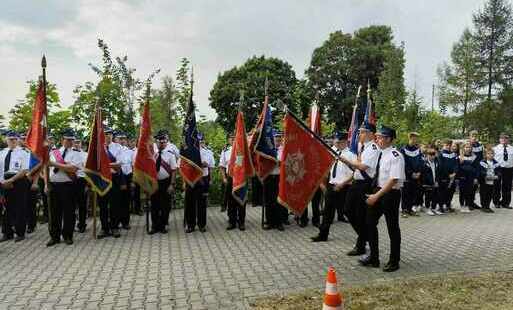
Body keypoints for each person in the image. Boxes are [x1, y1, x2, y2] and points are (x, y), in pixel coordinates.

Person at [361, 126, 405, 272]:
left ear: (389, 139)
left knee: (392, 227)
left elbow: (393, 180)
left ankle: (394, 261)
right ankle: (374, 257)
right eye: (378, 136)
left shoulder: (395, 155)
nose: (377, 139)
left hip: (390, 194)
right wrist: (374, 193)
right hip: (379, 191)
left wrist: (376, 196)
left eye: (380, 137)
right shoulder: (381, 154)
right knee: (369, 222)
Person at [339, 123, 380, 256]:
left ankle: (362, 243)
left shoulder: (373, 148)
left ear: (370, 134)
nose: (359, 135)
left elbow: (363, 167)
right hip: (356, 182)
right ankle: (365, 237)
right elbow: (357, 167)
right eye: (359, 132)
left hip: (364, 184)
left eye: (362, 132)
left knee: (360, 215)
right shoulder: (364, 148)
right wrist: (349, 163)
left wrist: (349, 161)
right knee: (348, 211)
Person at [311, 131, 355, 242]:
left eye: (339, 142)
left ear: (345, 142)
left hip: (344, 187)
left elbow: (355, 173)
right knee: (327, 211)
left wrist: (342, 184)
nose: (336, 144)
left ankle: (362, 236)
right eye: (336, 142)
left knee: (348, 211)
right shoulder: (332, 151)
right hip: (332, 185)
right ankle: (323, 234)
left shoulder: (351, 155)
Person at [47, 129, 81, 246]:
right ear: (62, 140)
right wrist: (47, 184)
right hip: (54, 186)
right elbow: (47, 169)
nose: (71, 142)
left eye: (72, 140)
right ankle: (54, 236)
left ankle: (68, 236)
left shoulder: (76, 153)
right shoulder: (53, 152)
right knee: (54, 212)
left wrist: (55, 164)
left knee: (68, 212)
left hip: (68, 186)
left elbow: (72, 169)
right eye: (68, 139)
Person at [0, 130, 30, 242]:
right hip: (4, 181)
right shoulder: (2, 152)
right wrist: (2, 182)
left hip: (19, 181)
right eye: (9, 139)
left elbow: (25, 170)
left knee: (19, 208)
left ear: (18, 140)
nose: (12, 141)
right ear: (6, 140)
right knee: (6, 208)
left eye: (14, 139)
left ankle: (20, 233)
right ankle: (7, 233)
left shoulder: (24, 152)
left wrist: (11, 180)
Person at [184, 133, 215, 233]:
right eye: (198, 141)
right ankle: (190, 225)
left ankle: (202, 225)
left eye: (201, 141)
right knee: (190, 203)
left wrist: (210, 178)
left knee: (201, 203)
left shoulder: (208, 152)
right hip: (191, 180)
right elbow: (184, 167)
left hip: (202, 180)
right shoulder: (189, 152)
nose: (199, 143)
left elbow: (210, 166)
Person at [97, 128, 123, 239]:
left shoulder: (118, 147)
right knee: (102, 205)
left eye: (109, 134)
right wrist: (109, 165)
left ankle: (115, 227)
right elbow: (94, 165)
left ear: (112, 136)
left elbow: (118, 165)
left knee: (115, 204)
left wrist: (104, 165)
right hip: (101, 179)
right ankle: (104, 228)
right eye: (105, 134)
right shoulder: (98, 148)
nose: (107, 136)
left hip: (114, 179)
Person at [150, 130, 177, 234]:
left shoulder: (170, 155)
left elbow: (174, 170)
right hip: (154, 182)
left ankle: (164, 225)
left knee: (165, 205)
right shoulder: (152, 154)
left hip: (166, 182)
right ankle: (154, 226)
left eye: (164, 142)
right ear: (156, 142)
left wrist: (172, 184)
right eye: (160, 142)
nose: (162, 143)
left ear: (166, 142)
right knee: (154, 205)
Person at [263, 131, 286, 231]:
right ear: (272, 139)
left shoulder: (284, 150)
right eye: (276, 137)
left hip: (279, 177)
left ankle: (279, 223)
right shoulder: (268, 149)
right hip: (268, 177)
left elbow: (287, 162)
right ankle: (269, 222)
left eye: (279, 138)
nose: (278, 139)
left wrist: (281, 163)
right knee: (269, 201)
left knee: (279, 201)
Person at [400, 132, 424, 217]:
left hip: (416, 175)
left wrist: (419, 172)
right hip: (407, 175)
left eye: (416, 138)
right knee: (405, 193)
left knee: (414, 192)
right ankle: (404, 210)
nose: (415, 140)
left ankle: (410, 209)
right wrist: (411, 173)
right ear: (410, 138)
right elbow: (404, 163)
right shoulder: (403, 149)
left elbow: (421, 162)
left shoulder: (417, 150)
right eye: (414, 138)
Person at [116, 131, 133, 230]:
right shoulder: (114, 151)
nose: (122, 141)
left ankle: (125, 222)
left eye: (124, 139)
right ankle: (116, 222)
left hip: (127, 177)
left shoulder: (130, 152)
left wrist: (132, 181)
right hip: (117, 178)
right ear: (116, 140)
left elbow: (133, 166)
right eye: (120, 139)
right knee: (117, 201)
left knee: (126, 201)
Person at [457, 142, 480, 213]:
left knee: (469, 192)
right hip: (462, 177)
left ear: (471, 148)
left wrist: (476, 178)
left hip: (471, 177)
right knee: (462, 192)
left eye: (469, 147)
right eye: (466, 147)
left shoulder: (474, 157)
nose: (468, 149)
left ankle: (467, 205)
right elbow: (458, 168)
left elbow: (476, 168)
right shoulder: (460, 157)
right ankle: (462, 206)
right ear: (463, 148)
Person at [493, 133, 513, 209]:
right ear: (499, 139)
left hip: (509, 169)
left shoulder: (512, 148)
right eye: (502, 138)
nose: (504, 140)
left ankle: (505, 203)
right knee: (496, 186)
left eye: (506, 138)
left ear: (508, 139)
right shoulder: (495, 148)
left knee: (507, 186)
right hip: (498, 169)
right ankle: (496, 202)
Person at [73, 138, 88, 233]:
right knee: (71, 205)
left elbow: (88, 170)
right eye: (75, 142)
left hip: (82, 181)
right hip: (70, 181)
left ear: (81, 143)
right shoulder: (69, 154)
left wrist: (88, 184)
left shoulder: (86, 155)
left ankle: (82, 225)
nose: (76, 144)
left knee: (82, 205)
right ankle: (72, 224)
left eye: (78, 142)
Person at [479, 147, 500, 213]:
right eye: (488, 154)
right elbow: (481, 171)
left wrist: (497, 175)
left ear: (494, 154)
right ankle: (483, 206)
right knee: (483, 194)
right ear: (485, 155)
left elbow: (499, 171)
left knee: (490, 194)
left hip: (492, 181)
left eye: (492, 154)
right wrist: (485, 176)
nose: (490, 155)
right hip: (484, 181)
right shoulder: (482, 162)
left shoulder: (496, 163)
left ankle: (487, 206)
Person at [423, 148, 442, 216]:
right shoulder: (425, 163)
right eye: (430, 154)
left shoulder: (437, 162)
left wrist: (437, 181)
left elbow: (438, 173)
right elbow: (426, 175)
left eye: (433, 154)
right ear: (427, 155)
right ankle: (428, 208)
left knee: (436, 196)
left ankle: (433, 208)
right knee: (428, 196)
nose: (432, 156)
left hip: (435, 182)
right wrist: (432, 183)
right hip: (428, 183)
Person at [219, 135, 234, 213]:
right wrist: (224, 178)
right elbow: (222, 166)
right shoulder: (225, 151)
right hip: (229, 176)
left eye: (234, 138)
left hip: (239, 176)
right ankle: (231, 218)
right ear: (228, 140)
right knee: (229, 197)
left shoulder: (241, 149)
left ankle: (240, 220)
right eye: (231, 138)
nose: (233, 140)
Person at [469, 130, 483, 209]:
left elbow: (481, 157)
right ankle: (468, 203)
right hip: (469, 168)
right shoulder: (467, 145)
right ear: (470, 137)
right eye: (472, 136)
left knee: (475, 186)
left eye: (475, 136)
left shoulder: (480, 145)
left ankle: (472, 202)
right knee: (469, 187)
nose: (474, 138)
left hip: (477, 168)